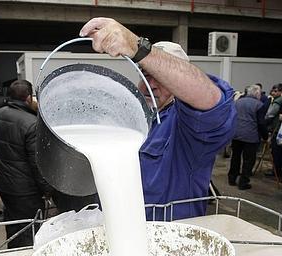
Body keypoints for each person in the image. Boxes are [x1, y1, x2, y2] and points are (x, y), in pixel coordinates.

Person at [80, 17, 236, 219]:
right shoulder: (133, 120)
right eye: (145, 74)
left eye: (161, 78)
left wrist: (137, 48)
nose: (150, 84)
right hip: (117, 230)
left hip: (168, 240)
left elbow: (212, 102)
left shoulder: (187, 128)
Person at [0, 80, 53, 248]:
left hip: (5, 185)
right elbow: (38, 164)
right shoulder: (31, 124)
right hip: (26, 191)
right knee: (30, 230)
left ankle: (12, 254)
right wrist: (47, 190)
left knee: (13, 225)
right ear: (29, 98)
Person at [228, 84, 266, 190]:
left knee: (235, 157)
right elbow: (261, 123)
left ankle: (232, 178)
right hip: (251, 136)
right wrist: (265, 136)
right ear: (257, 94)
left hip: (236, 134)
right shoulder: (259, 105)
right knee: (248, 160)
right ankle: (243, 182)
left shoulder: (237, 102)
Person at [265, 85, 282, 179]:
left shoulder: (277, 102)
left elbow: (269, 114)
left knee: (277, 152)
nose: (273, 93)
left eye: (275, 91)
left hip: (278, 130)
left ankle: (277, 171)